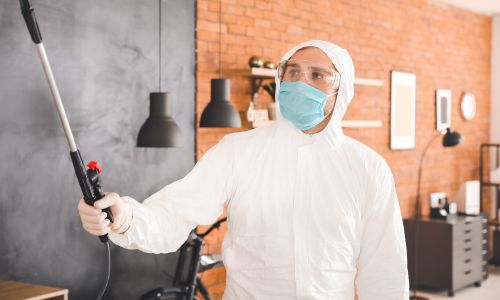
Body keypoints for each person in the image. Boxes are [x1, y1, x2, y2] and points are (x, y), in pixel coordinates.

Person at [78, 40, 409, 299]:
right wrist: (126, 218)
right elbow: (174, 213)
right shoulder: (239, 152)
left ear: (343, 90)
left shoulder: (368, 169)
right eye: (292, 72)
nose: (300, 82)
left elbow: (383, 270)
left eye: (317, 75)